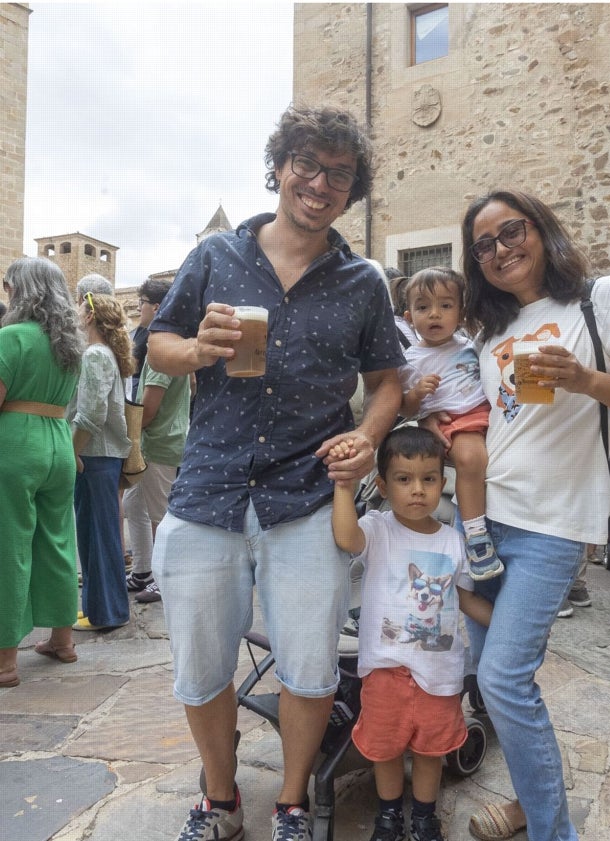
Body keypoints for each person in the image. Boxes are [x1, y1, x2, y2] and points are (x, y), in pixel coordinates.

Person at [146, 105, 404, 841]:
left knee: (310, 669)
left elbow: (388, 379)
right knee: (200, 668)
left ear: (351, 191)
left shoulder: (362, 283)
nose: (319, 183)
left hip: (306, 500)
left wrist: (366, 432)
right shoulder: (215, 258)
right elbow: (157, 342)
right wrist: (194, 350)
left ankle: (291, 800)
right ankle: (221, 799)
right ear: (280, 165)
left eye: (339, 174)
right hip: (208, 492)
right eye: (307, 164)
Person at [425, 189, 610, 841]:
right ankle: (534, 798)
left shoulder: (603, 297)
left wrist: (587, 380)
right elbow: (490, 418)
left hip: (553, 523)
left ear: (540, 229)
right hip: (481, 519)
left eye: (511, 231)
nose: (500, 249)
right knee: (490, 677)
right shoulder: (490, 329)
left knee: (504, 677)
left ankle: (551, 828)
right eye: (483, 244)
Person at [331, 426, 492, 841]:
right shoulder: (378, 528)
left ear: (443, 481)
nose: (417, 490)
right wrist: (345, 488)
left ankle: (424, 817)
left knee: (430, 751)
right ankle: (389, 816)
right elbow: (346, 537)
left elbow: (465, 600)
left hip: (438, 673)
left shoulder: (455, 543)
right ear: (383, 485)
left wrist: (506, 624)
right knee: (384, 750)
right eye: (403, 480)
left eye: (429, 479)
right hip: (385, 668)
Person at [0, 257, 84, 685]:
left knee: (8, 546)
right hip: (58, 443)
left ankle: (4, 662)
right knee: (57, 541)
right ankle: (61, 640)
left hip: (14, 444)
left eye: (8, 286)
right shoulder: (70, 344)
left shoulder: (9, 337)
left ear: (21, 290)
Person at [399, 267, 502, 581]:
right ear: (408, 317)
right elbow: (404, 407)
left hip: (488, 414)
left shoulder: (470, 343)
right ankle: (476, 538)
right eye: (423, 307)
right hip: (456, 420)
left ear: (461, 312)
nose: (434, 314)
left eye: (445, 305)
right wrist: (417, 395)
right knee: (472, 459)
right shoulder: (411, 360)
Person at [69, 293, 133, 632]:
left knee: (97, 534)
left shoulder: (95, 354)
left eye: (81, 307)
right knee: (98, 534)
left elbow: (92, 412)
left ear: (91, 316)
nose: (77, 312)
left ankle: (105, 613)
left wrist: (72, 451)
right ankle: (99, 608)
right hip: (99, 455)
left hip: (93, 455)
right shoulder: (104, 354)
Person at [124, 278, 190, 604]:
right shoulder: (171, 346)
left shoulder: (160, 351)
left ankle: (165, 579)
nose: (138, 308)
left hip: (160, 442)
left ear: (158, 307)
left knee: (159, 517)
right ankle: (142, 571)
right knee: (134, 506)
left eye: (142, 302)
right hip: (164, 440)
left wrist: (130, 436)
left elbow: (149, 408)